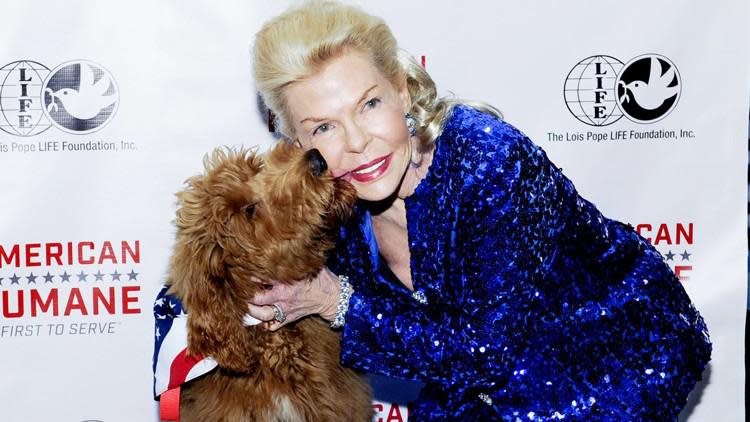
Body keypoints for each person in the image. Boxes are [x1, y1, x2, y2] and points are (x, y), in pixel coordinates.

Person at [245, 1, 712, 420]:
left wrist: (334, 301)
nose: (356, 142)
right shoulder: (327, 198)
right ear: (296, 143)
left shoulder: (487, 162)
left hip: (610, 363)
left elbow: (483, 354)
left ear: (403, 92)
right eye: (324, 127)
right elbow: (227, 272)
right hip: (479, 382)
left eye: (369, 104)